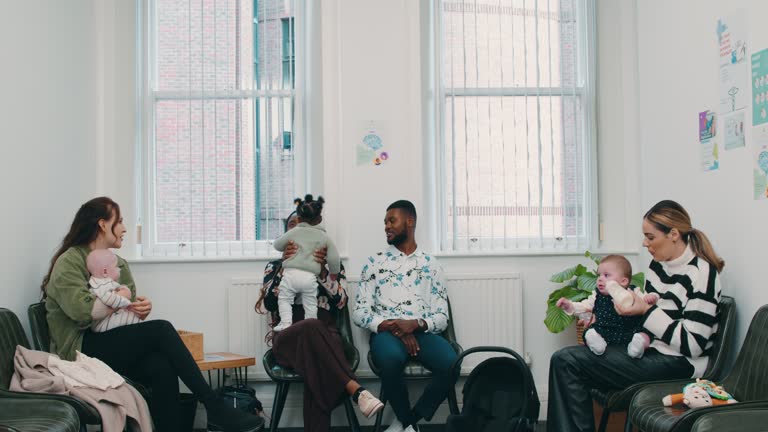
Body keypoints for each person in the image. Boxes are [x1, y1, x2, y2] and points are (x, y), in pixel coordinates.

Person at [42, 197, 264, 432]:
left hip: (107, 343)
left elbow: (126, 312)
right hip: (79, 350)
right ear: (103, 225)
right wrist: (122, 300)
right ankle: (214, 405)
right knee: (161, 329)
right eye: (120, 221)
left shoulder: (120, 264)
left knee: (161, 365)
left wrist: (140, 309)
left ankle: (192, 419)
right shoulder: (70, 261)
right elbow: (82, 312)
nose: (125, 228)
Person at [547, 200, 725, 432]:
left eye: (650, 237)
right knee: (567, 362)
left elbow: (694, 345)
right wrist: (605, 319)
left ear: (673, 234)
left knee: (567, 361)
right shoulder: (658, 266)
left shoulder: (702, 274)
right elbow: (645, 321)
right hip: (650, 350)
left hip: (681, 363)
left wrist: (646, 311)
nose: (645, 243)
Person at [256, 209, 383, 432]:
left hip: (325, 336)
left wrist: (321, 272)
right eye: (293, 227)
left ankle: (357, 393)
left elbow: (341, 302)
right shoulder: (274, 267)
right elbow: (268, 303)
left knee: (314, 362)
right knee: (312, 329)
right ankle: (356, 390)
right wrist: (286, 267)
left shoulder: (331, 266)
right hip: (288, 338)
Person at [353, 200, 457, 432]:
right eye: (385, 222)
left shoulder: (431, 265)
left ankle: (407, 421)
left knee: (451, 364)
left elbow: (442, 317)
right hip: (386, 332)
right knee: (390, 360)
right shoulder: (374, 263)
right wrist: (394, 327)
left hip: (421, 332)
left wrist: (416, 324)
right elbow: (360, 313)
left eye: (392, 220)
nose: (386, 227)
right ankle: (407, 421)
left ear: (410, 221)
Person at [556, 255, 658, 358]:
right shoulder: (597, 296)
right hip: (605, 332)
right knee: (589, 332)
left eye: (606, 275)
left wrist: (651, 297)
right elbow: (584, 306)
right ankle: (597, 344)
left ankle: (638, 346)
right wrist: (569, 306)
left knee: (645, 334)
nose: (600, 279)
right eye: (599, 275)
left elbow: (645, 303)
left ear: (623, 281)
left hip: (631, 332)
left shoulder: (632, 292)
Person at [272, 195, 341, 331]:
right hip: (309, 278)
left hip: (291, 275)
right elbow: (335, 258)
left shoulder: (295, 232)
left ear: (299, 220)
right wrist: (334, 273)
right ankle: (311, 324)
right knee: (311, 303)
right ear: (319, 220)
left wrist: (324, 269)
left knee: (284, 298)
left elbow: (277, 244)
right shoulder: (323, 237)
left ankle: (286, 322)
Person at [86, 249, 142, 332]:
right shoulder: (100, 284)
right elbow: (109, 299)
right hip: (103, 324)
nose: (119, 269)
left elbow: (116, 291)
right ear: (105, 271)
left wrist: (123, 289)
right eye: (116, 266)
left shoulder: (106, 282)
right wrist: (127, 304)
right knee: (131, 318)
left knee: (132, 317)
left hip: (110, 319)